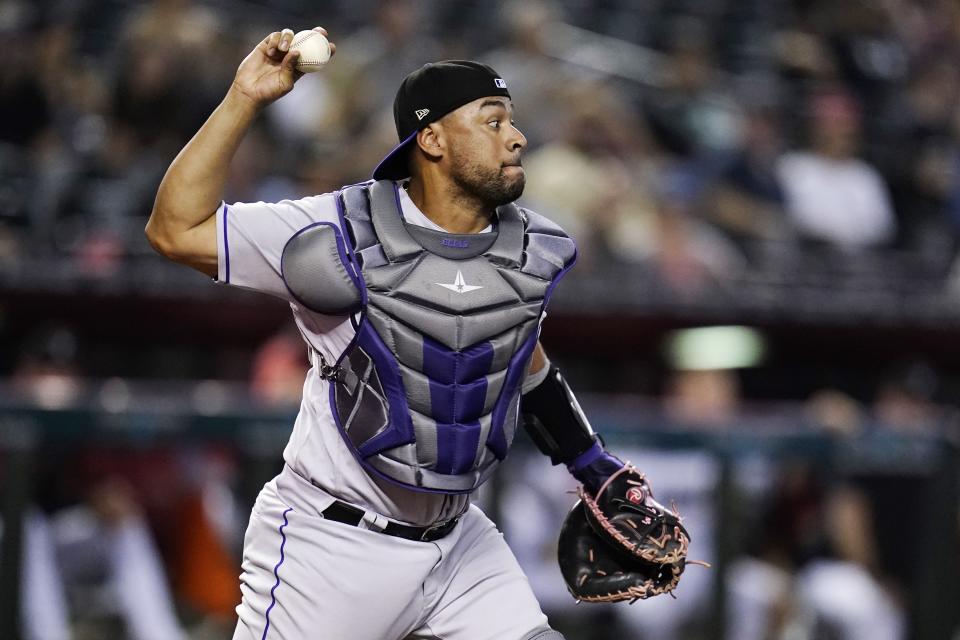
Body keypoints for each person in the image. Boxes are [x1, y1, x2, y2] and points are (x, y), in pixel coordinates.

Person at [146, 26, 660, 640]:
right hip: (331, 545)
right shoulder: (336, 230)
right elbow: (175, 230)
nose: (517, 137)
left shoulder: (529, 250)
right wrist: (244, 98)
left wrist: (592, 463)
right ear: (434, 138)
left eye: (512, 121)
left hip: (459, 543)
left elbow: (523, 362)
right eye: (492, 121)